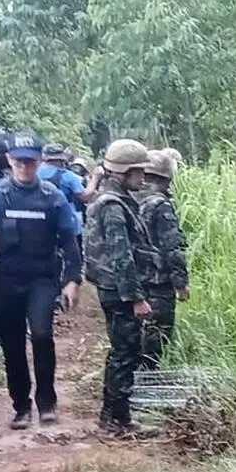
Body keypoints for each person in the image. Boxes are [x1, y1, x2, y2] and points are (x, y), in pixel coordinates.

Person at [0, 131, 82, 430]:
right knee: (12, 344)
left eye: (30, 162)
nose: (24, 168)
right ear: (9, 160)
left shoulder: (52, 197)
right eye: (18, 162)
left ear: (39, 162)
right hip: (7, 278)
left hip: (41, 277)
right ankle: (21, 406)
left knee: (41, 335)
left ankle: (46, 401)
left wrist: (72, 279)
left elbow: (70, 241)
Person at [84, 139, 158, 436]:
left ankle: (115, 416)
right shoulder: (113, 206)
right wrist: (136, 298)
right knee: (125, 352)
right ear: (123, 172)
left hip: (115, 289)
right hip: (119, 291)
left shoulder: (114, 200)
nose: (143, 178)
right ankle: (115, 420)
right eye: (139, 172)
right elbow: (121, 255)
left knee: (125, 350)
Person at [135, 150, 190, 369]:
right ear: (166, 178)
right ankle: (147, 381)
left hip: (131, 280)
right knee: (156, 335)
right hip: (157, 283)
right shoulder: (160, 205)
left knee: (133, 336)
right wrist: (181, 283)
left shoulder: (126, 198)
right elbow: (172, 247)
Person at [39, 142, 101, 239]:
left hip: (39, 225)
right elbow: (86, 197)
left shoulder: (33, 174)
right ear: (62, 160)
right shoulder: (67, 176)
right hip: (66, 226)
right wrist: (95, 179)